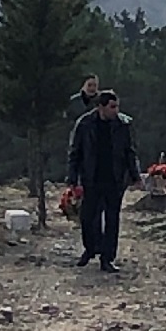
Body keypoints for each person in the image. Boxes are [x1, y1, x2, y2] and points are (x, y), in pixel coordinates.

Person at [66, 90, 141, 272]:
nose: (115, 110)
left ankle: (107, 258)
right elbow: (75, 152)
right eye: (112, 107)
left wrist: (135, 176)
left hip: (115, 178)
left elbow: (129, 152)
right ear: (101, 107)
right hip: (91, 177)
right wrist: (72, 178)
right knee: (88, 217)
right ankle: (91, 248)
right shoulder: (84, 124)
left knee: (112, 219)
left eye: (117, 107)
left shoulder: (123, 124)